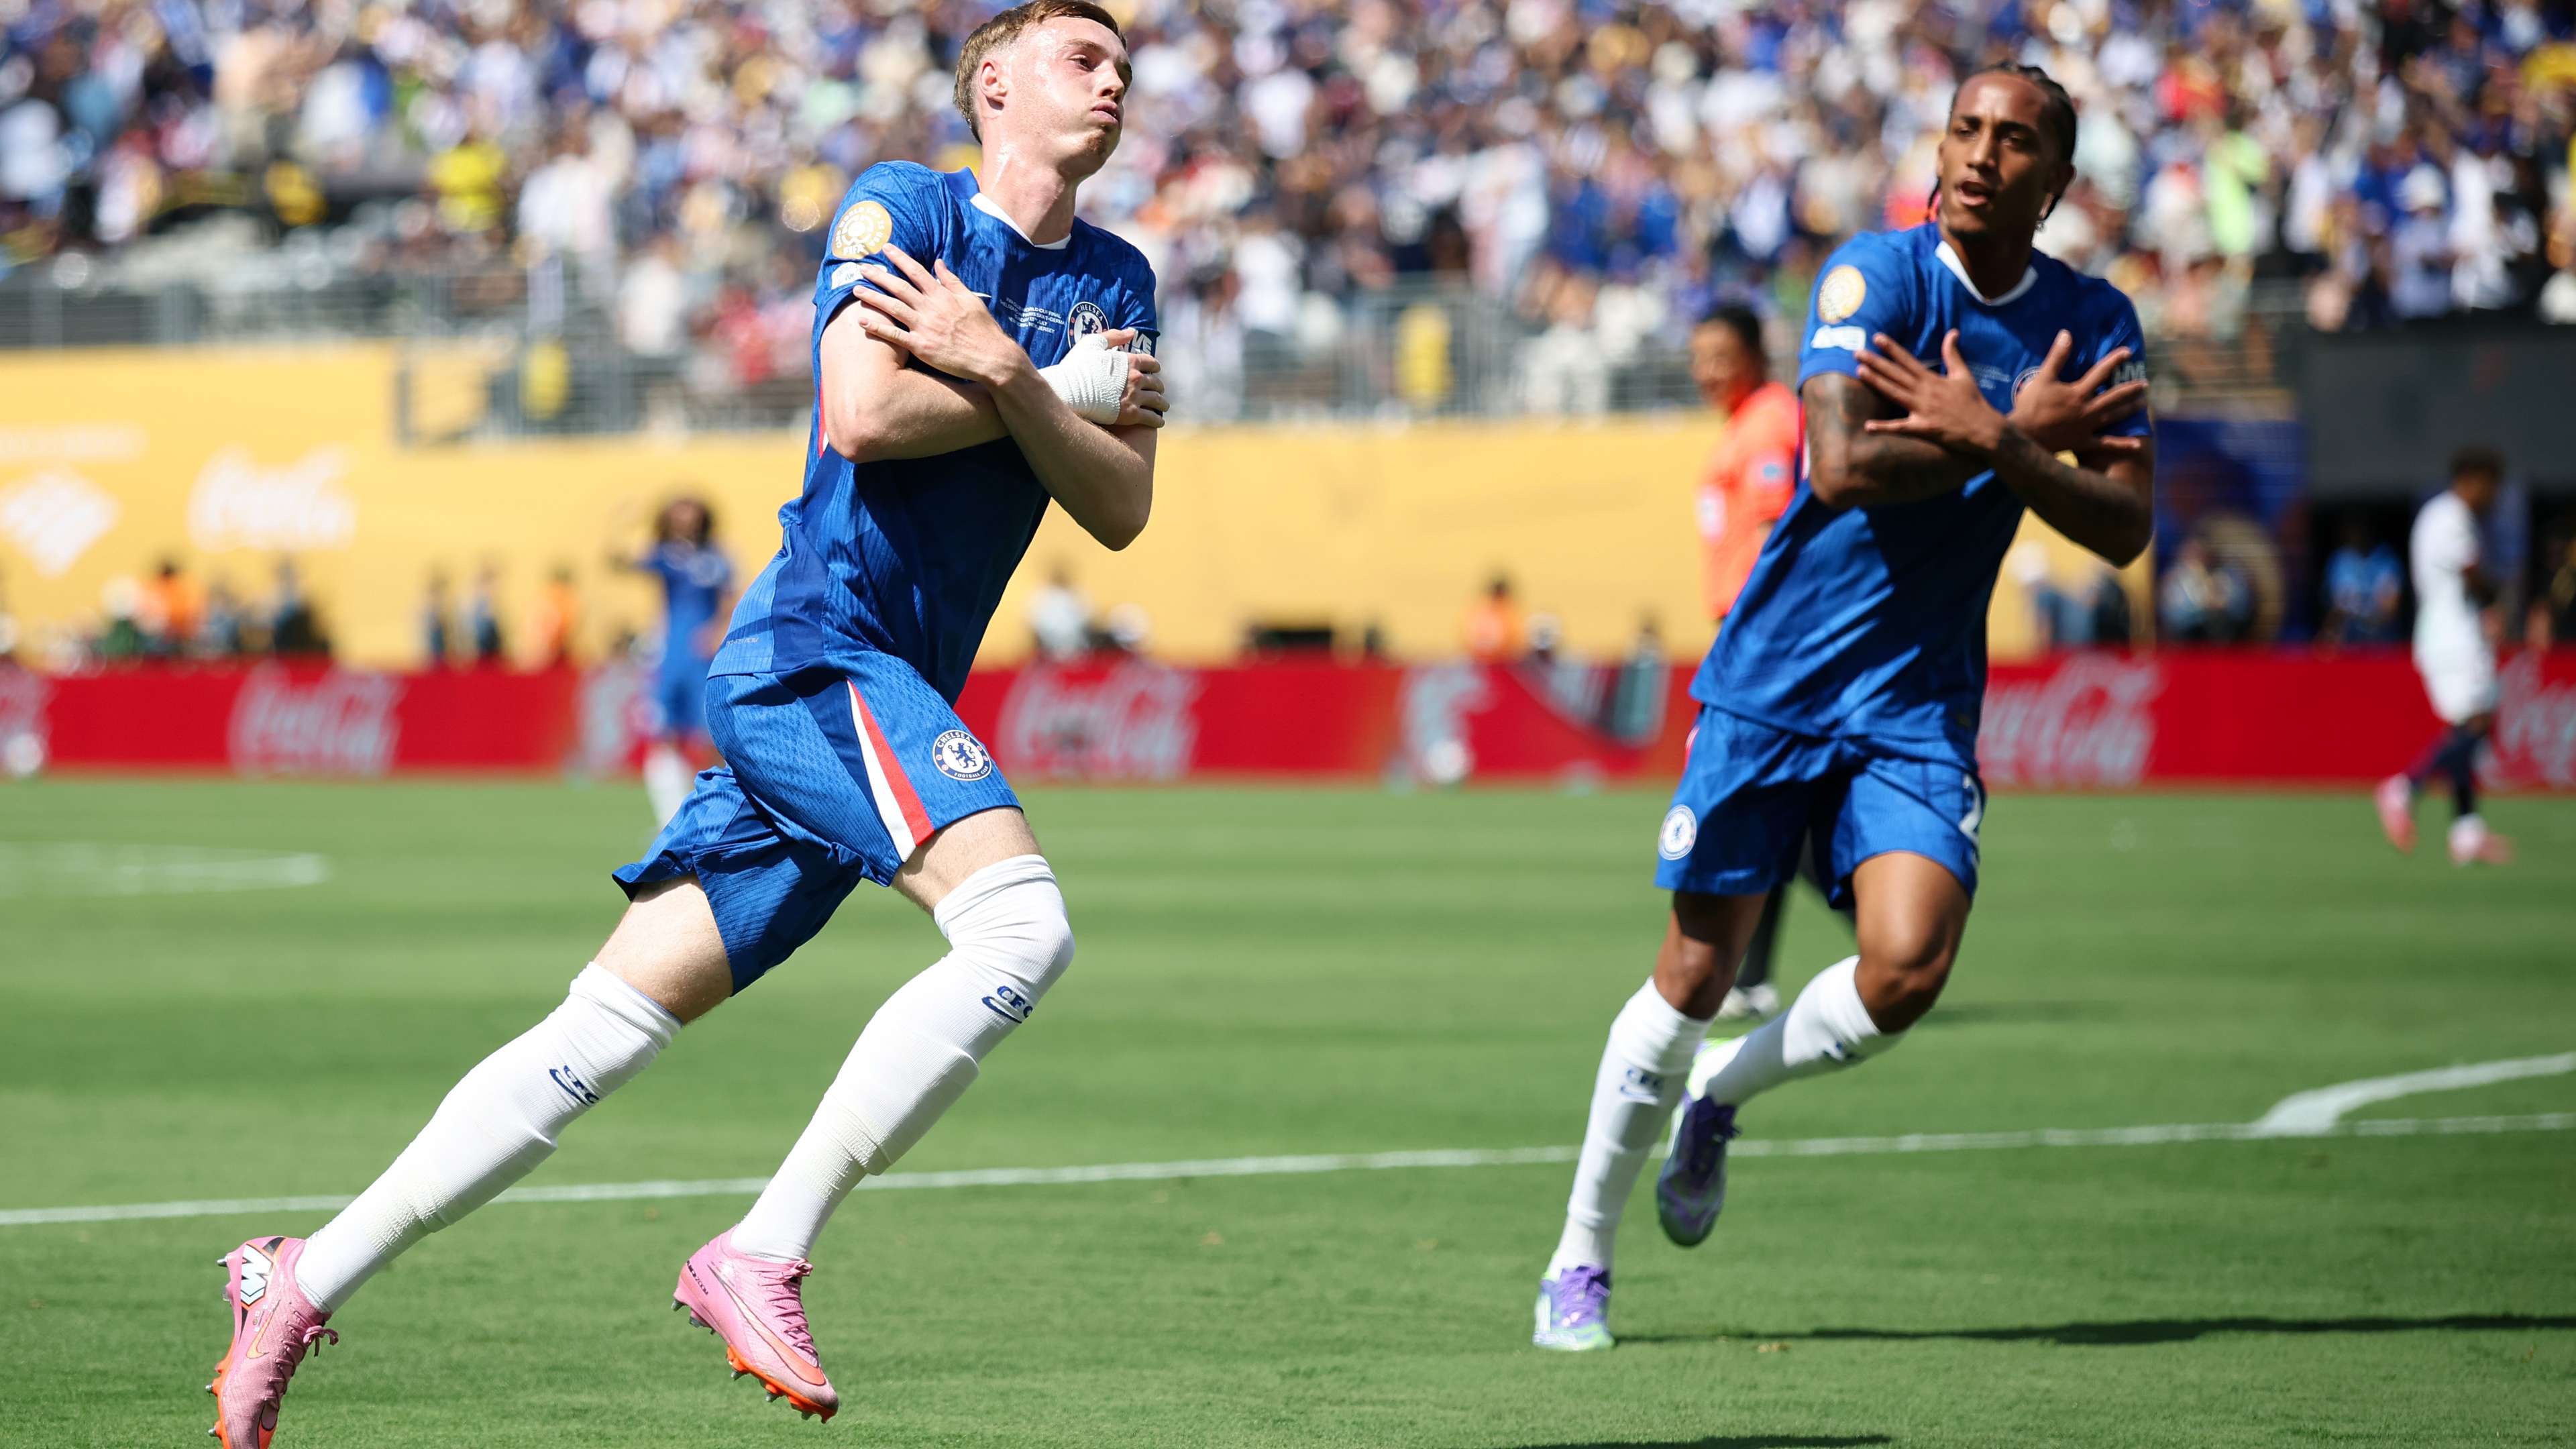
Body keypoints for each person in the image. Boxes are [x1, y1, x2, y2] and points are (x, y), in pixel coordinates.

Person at [203, 5, 1169, 1441]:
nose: (1114, 78)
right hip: (815, 652)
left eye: (1122, 67)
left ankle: (297, 1275)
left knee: (597, 1033)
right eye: (1082, 56)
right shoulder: (902, 208)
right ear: (994, 83)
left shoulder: (1118, 278)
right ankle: (762, 1249)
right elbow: (857, 413)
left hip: (887, 687)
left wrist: (1019, 375)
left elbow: (1121, 504)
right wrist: (1029, 387)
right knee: (1022, 926)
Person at [1532, 63, 2156, 1352]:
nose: (1983, 154)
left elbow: (2127, 528)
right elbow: (1844, 462)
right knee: (1698, 967)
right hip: (1779, 677)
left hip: (1919, 699)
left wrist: (2004, 439)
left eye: (2017, 139)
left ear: (2060, 181)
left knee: (1909, 966)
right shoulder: (1877, 275)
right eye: (1968, 129)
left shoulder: (2094, 323)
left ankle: (1718, 1102)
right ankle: (1577, 1260)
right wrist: (2004, 436)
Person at [1686, 302, 1831, 1021]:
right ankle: (1752, 977)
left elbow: (1778, 530)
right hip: (1741, 631)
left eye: (1720, 354)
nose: (1706, 370)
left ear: (1752, 354)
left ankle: (1887, 918)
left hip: (1760, 638)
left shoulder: (1772, 418)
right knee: (1768, 804)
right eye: (1699, 355)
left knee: (1755, 800)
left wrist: (1753, 639)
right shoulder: (1745, 421)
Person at [2375, 447, 2514, 866]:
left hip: (2445, 632)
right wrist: (2496, 596)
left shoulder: (2439, 515)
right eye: (2492, 485)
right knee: (2477, 724)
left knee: (2465, 729)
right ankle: (2405, 787)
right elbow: (2472, 575)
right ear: (2473, 479)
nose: (2494, 496)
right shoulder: (2452, 518)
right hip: (2454, 635)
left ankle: (2467, 833)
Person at [612, 496, 735, 826]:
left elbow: (732, 596)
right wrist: (621, 525)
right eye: (679, 513)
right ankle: (671, 818)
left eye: (692, 512)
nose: (686, 520)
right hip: (671, 656)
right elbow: (618, 562)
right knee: (663, 734)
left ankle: (716, 813)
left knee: (710, 737)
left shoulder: (715, 556)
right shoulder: (666, 555)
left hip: (705, 659)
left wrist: (719, 629)